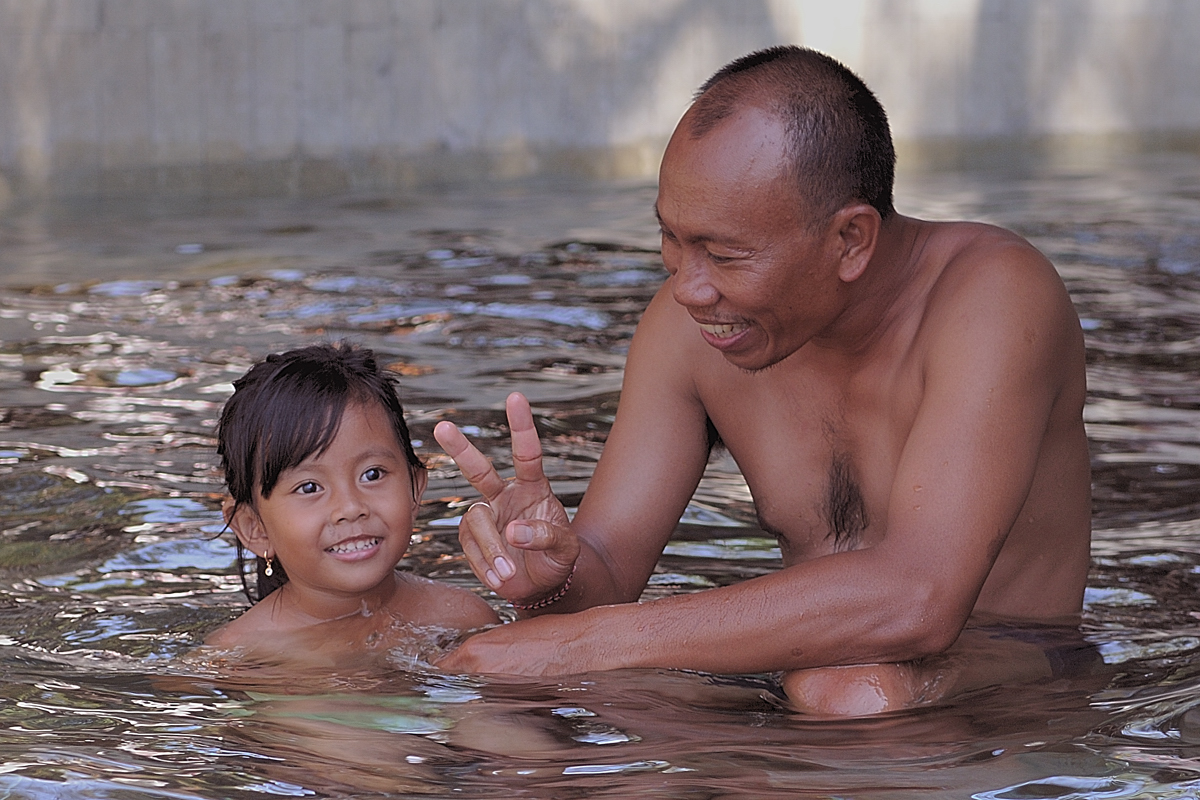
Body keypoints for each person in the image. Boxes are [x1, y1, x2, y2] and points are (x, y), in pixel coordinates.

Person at [433, 45, 1092, 714]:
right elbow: (599, 589)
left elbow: (919, 599)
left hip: (1012, 691)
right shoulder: (689, 327)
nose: (687, 289)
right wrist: (549, 573)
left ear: (850, 241)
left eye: (723, 255)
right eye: (671, 239)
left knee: (856, 693)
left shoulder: (995, 297)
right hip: (800, 679)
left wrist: (585, 644)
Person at [205, 342, 498, 666]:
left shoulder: (463, 619)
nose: (350, 507)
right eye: (309, 487)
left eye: (372, 474)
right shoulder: (236, 658)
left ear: (415, 489)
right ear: (254, 528)